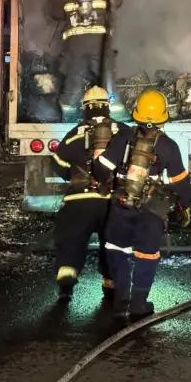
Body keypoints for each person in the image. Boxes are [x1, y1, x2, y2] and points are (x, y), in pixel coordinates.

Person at [93, 88, 191, 321]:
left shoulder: (123, 138)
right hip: (151, 211)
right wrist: (186, 207)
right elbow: (181, 183)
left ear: (136, 114)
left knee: (116, 250)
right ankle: (138, 304)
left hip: (121, 206)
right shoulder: (168, 146)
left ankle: (120, 300)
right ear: (163, 117)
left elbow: (101, 169)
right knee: (147, 255)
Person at [50, 86, 131, 302]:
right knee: (111, 243)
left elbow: (57, 164)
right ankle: (111, 285)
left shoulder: (74, 134)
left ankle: (66, 281)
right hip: (112, 201)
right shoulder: (123, 131)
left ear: (85, 107)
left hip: (79, 201)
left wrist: (73, 174)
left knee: (71, 240)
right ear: (107, 106)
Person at [47, 0, 124, 123]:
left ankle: (69, 113)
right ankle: (114, 112)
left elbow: (54, 13)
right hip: (100, 41)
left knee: (74, 77)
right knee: (106, 75)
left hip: (76, 43)